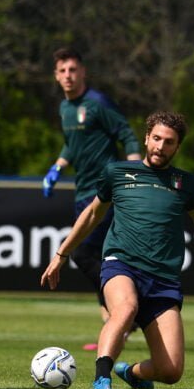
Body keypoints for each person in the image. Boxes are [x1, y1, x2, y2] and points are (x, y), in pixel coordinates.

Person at [41, 111, 194, 389]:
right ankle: (102, 377)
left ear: (177, 147)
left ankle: (131, 372)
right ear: (147, 138)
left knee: (171, 371)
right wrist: (61, 255)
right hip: (122, 264)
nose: (161, 147)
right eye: (157, 139)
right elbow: (91, 215)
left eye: (169, 142)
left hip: (163, 279)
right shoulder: (116, 173)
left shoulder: (185, 183)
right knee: (125, 308)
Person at [43, 47, 142, 350]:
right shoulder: (65, 108)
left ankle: (127, 311)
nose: (68, 76)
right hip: (82, 192)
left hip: (106, 193)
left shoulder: (98, 103)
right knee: (101, 259)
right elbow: (71, 144)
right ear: (56, 76)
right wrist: (57, 167)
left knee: (81, 253)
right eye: (62, 71)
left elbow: (127, 135)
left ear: (83, 72)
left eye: (73, 70)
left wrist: (137, 174)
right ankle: (115, 328)